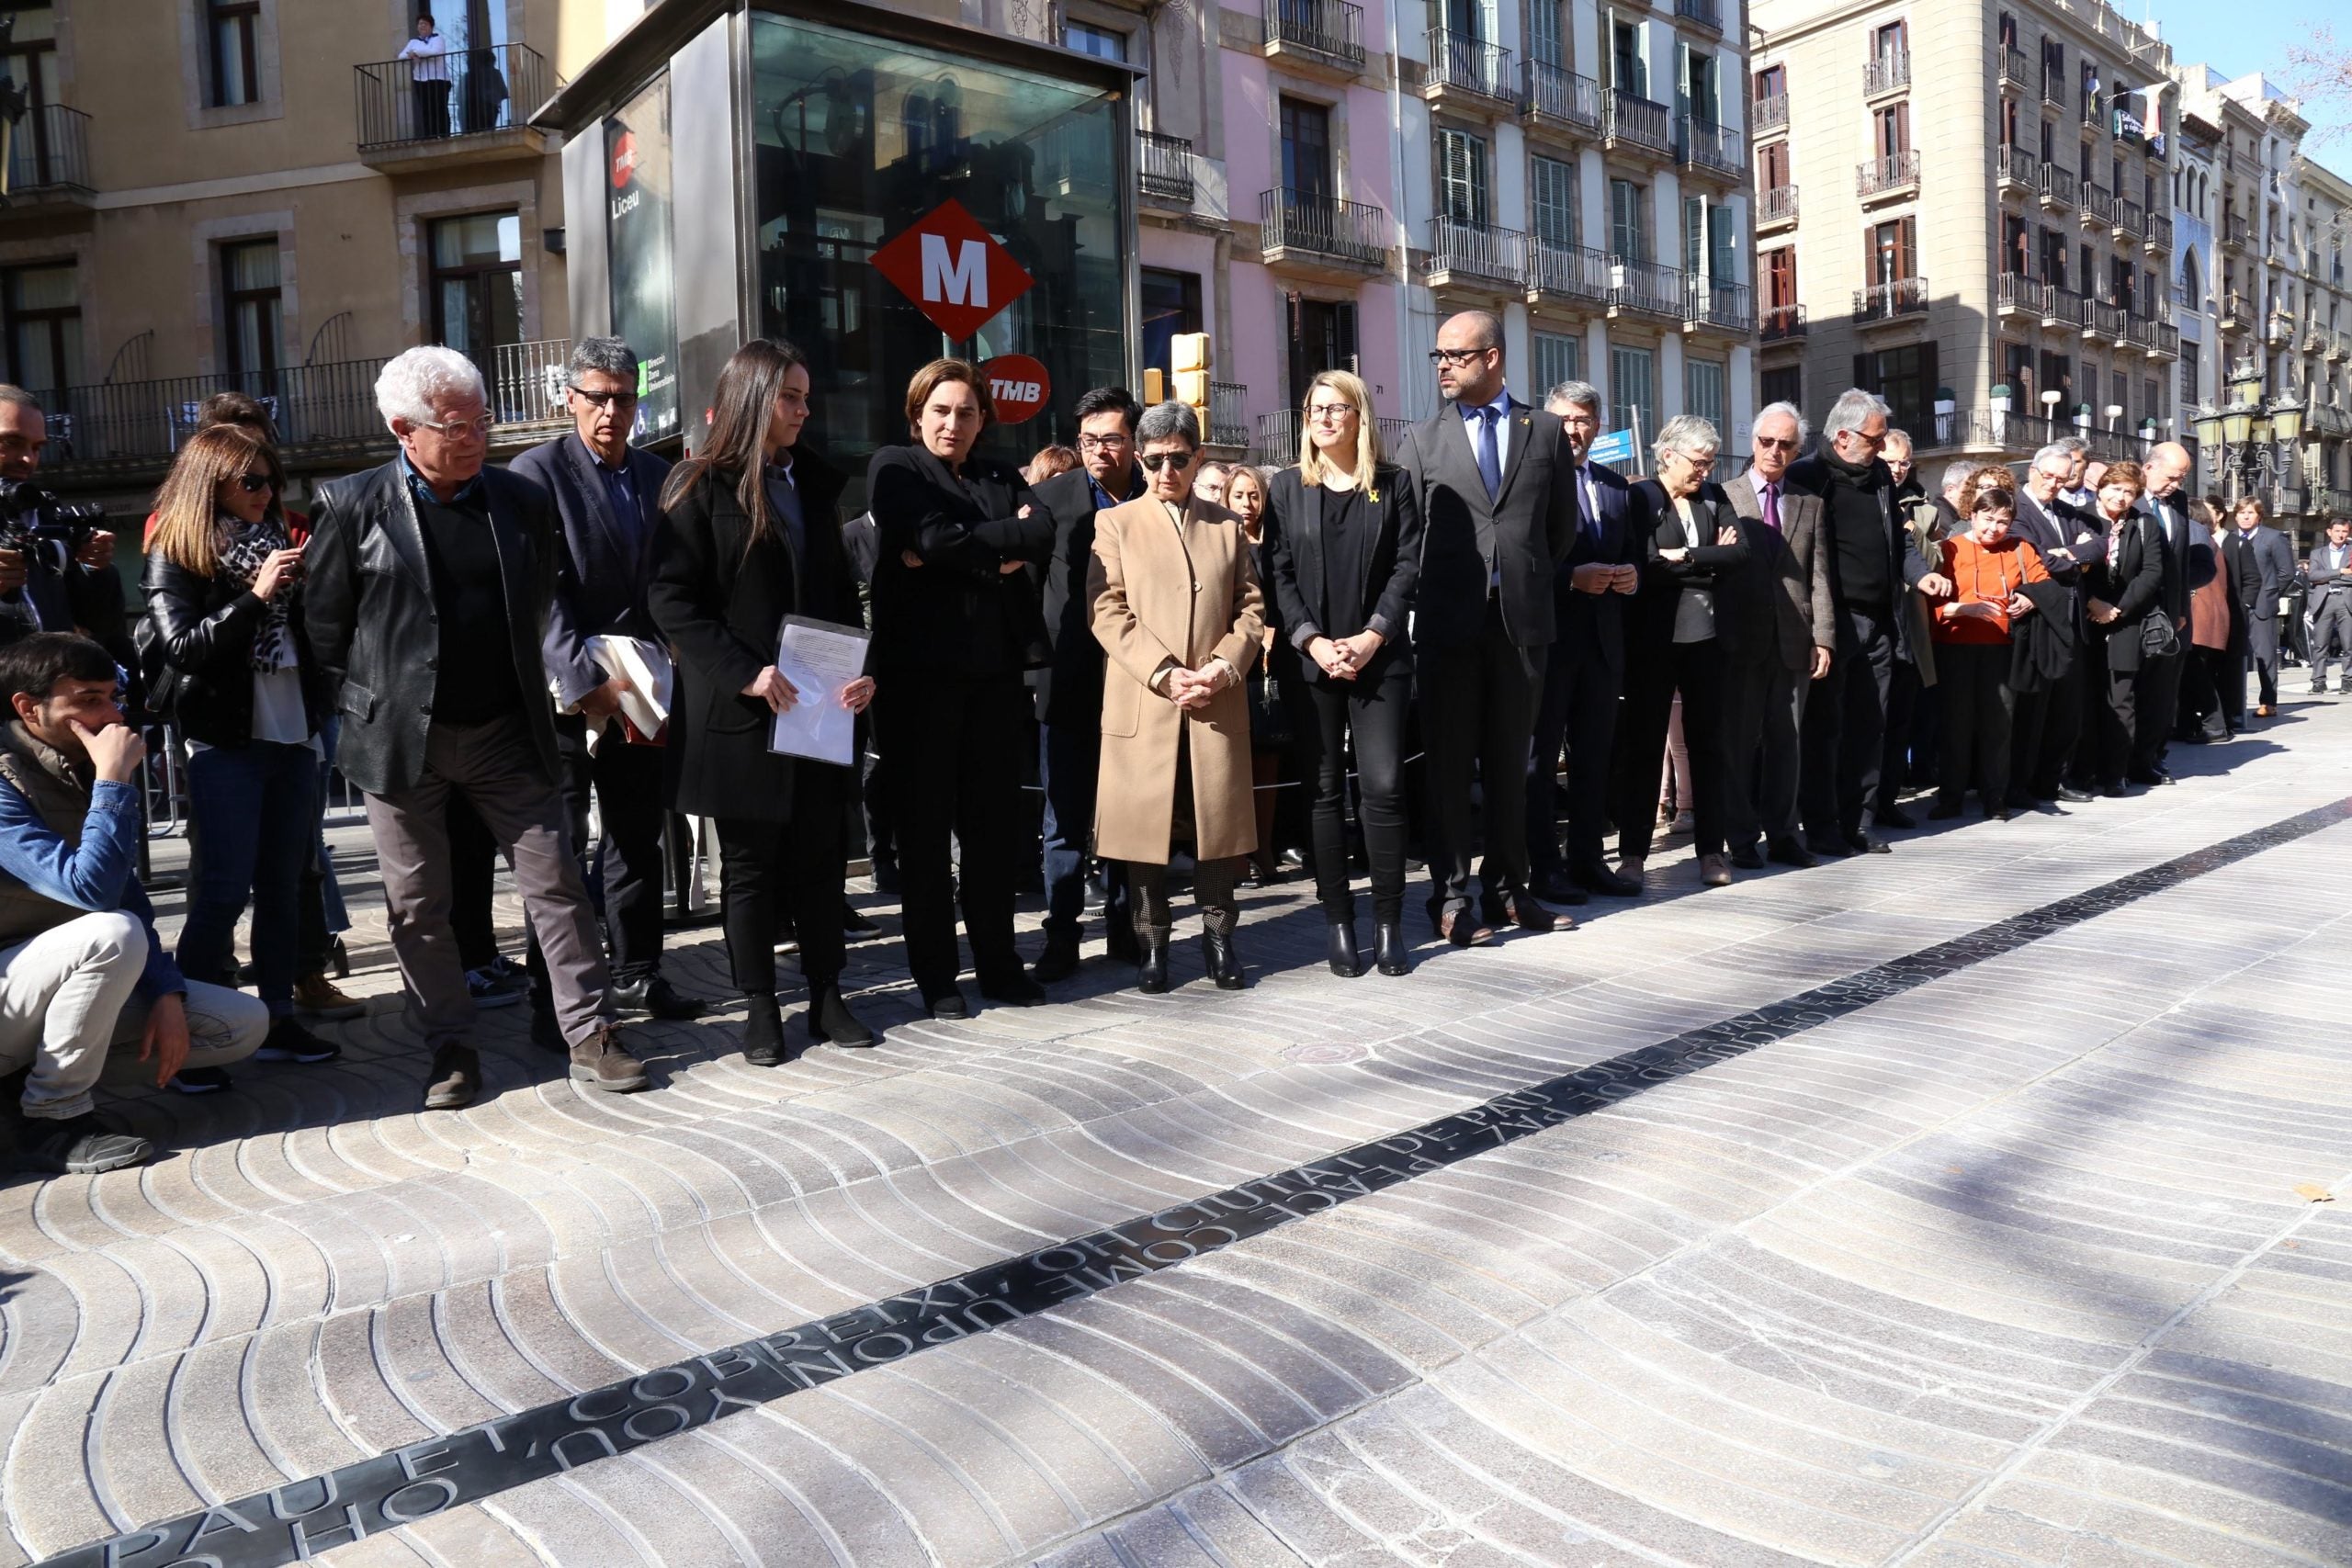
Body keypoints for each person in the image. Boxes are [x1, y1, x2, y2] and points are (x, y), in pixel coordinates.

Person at [304, 346, 648, 1110]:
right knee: (419, 905)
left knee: (557, 882)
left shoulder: (518, 501)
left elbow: (538, 606)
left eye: (481, 420)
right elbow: (323, 634)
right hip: (401, 744)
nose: (474, 438)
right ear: (403, 428)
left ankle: (589, 1031)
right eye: (455, 426)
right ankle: (449, 1047)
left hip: (505, 730)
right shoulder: (351, 506)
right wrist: (360, 713)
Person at [648, 340, 876, 1064]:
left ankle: (826, 994)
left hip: (820, 708)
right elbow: (670, 598)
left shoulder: (814, 484)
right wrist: (744, 671)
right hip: (745, 715)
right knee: (749, 869)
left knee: (821, 859)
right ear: (753, 399)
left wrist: (860, 667)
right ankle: (759, 1004)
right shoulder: (698, 486)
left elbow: (840, 595)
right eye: (792, 398)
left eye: (807, 398)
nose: (805, 411)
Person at [0, 634, 268, 1173]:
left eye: (111, 695)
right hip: (9, 994)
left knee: (240, 1024)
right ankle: (54, 1117)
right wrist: (114, 780)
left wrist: (165, 992)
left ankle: (18, 1090)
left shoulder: (79, 763)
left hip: (44, 990)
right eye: (89, 699)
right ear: (29, 708)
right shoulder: (12, 777)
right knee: (110, 934)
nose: (112, 714)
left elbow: (127, 894)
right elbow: (93, 892)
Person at [509, 337, 707, 1022]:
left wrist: (676, 649)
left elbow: (673, 579)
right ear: (570, 399)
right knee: (556, 846)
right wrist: (580, 676)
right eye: (598, 397)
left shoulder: (659, 476)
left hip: (641, 688)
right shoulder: (535, 473)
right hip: (566, 696)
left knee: (635, 835)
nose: (612, 411)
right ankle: (551, 994)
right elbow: (540, 591)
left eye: (625, 397)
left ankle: (638, 972)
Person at [141, 423, 342, 1080]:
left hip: (294, 735)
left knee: (283, 887)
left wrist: (311, 588)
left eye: (272, 480)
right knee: (223, 891)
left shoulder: (279, 539)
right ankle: (196, 1036)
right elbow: (184, 648)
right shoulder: (178, 549)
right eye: (251, 482)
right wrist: (255, 596)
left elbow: (314, 641)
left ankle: (279, 1017)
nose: (266, 493)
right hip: (225, 740)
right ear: (213, 483)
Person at [867, 360, 1055, 1017]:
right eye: (941, 410)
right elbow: (927, 536)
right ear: (918, 413)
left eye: (967, 412)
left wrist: (958, 550)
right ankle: (937, 976)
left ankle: (1000, 965)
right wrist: (991, 552)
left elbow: (1041, 532)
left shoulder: (999, 473)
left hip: (996, 682)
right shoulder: (895, 466)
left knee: (992, 833)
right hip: (919, 686)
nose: (953, 422)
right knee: (924, 837)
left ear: (983, 419)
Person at [1396, 310, 1574, 944]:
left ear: (1492, 357)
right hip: (1449, 628)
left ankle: (1509, 891)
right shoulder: (1420, 440)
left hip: (1521, 624)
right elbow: (1407, 537)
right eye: (1438, 355)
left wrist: (1517, 575)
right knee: (1447, 768)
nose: (1443, 364)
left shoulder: (1545, 431)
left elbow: (1560, 529)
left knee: (1517, 766)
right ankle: (1449, 898)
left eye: (1456, 354)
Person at [1088, 402, 1264, 992]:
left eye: (1180, 459)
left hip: (1215, 700)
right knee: (1147, 832)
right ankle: (1153, 942)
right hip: (1148, 701)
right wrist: (1164, 674)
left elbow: (1251, 608)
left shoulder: (1226, 526)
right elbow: (1107, 611)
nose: (1168, 470)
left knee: (1217, 827)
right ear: (1139, 460)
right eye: (1156, 459)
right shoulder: (1114, 525)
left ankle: (1221, 938)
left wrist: (1222, 666)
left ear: (1198, 458)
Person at [1263, 371, 1420, 977]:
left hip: (1379, 658)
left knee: (1382, 786)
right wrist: (1312, 641)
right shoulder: (1285, 488)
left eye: (1336, 408)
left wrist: (1372, 634)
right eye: (1314, 409)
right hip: (1313, 661)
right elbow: (1275, 574)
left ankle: (1387, 923)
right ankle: (1338, 923)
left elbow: (1407, 566)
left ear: (1360, 416)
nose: (1324, 418)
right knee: (1324, 790)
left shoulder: (1394, 484)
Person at [1790, 389, 1950, 858]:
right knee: (1825, 729)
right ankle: (1820, 827)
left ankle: (1857, 823)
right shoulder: (1807, 477)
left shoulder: (1880, 476)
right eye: (1875, 440)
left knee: (1870, 725)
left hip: (1881, 621)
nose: (1882, 450)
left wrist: (1922, 577)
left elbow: (1897, 546)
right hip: (1832, 622)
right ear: (1842, 436)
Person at [1025, 387, 1142, 982]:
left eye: (1111, 439)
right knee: (1064, 819)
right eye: (1088, 440)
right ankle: (1062, 936)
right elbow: (1021, 589)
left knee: (1131, 815)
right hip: (1066, 685)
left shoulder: (1155, 497)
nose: (1098, 451)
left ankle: (1126, 927)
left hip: (1139, 686)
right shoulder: (1047, 500)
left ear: (1134, 441)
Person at [1615, 416, 1749, 888]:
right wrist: (1708, 559)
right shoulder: (1641, 498)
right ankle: (1632, 854)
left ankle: (1712, 851)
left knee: (1709, 746)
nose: (1705, 472)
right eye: (1698, 462)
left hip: (1708, 643)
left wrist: (1688, 558)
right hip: (1654, 643)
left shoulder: (1715, 498)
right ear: (1668, 455)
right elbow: (1645, 565)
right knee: (1644, 747)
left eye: (1710, 462)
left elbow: (1740, 555)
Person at [1526, 380, 1639, 902]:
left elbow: (1635, 553)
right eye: (1566, 419)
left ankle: (1589, 860)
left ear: (1598, 426)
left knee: (1596, 759)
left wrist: (1633, 575)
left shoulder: (1618, 489)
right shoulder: (1529, 484)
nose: (1575, 429)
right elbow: (1523, 563)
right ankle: (1543, 867)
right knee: (1542, 761)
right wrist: (1571, 577)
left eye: (1585, 420)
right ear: (1549, 422)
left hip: (1602, 646)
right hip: (1548, 645)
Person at [1718, 400, 1833, 870]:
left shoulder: (1809, 503)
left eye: (1786, 445)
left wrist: (1823, 637)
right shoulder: (1722, 496)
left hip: (1793, 640)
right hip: (1740, 642)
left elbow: (1819, 575)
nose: (1775, 451)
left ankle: (1784, 835)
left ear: (1798, 449)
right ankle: (1740, 837)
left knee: (1787, 743)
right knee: (1739, 742)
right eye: (1767, 441)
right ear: (1753, 442)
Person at [1926, 470, 2048, 819]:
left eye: (2003, 522)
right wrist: (1966, 609)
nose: (1995, 528)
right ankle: (1950, 797)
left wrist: (2030, 598)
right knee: (1956, 725)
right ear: (1972, 515)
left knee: (1999, 725)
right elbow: (1930, 602)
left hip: (2002, 648)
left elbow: (2043, 584)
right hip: (1956, 648)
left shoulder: (2020, 548)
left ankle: (1996, 797)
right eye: (1988, 519)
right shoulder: (1950, 548)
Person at [2007, 443, 2102, 806]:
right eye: (2048, 476)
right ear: (2033, 470)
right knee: (2034, 712)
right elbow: (2038, 562)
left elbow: (2101, 545)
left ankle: (2052, 781)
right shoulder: (2018, 511)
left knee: (2067, 710)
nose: (2054, 484)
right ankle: (2021, 785)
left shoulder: (2067, 510)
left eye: (2062, 479)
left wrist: (2074, 554)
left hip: (2073, 621)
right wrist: (2076, 561)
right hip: (2041, 622)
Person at [0, 386, 123, 653]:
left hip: (47, 687)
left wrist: (96, 568)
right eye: (11, 442)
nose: (28, 459)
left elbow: (99, 623)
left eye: (37, 448)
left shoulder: (45, 514)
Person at [2075, 461, 2165, 796]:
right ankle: (2082, 771)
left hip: (2126, 621)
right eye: (2116, 488)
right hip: (2085, 620)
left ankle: (2116, 772)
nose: (2122, 496)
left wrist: (2117, 608)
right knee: (2085, 698)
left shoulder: (2145, 525)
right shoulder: (2080, 518)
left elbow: (2152, 572)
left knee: (2121, 698)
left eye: (2130, 491)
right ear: (2101, 488)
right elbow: (2069, 567)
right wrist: (2092, 603)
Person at [1224, 464, 1290, 884]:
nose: (1247, 504)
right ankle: (1237, 852)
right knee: (1234, 764)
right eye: (1238, 496)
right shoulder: (1219, 542)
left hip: (1275, 660)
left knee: (1270, 761)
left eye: (1254, 496)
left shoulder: (1278, 545)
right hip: (1234, 660)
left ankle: (1265, 848)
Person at [2132, 443, 2196, 783]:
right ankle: (2124, 759)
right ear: (2149, 468)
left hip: (2171, 615)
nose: (2176, 485)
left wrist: (2182, 609)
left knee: (2162, 692)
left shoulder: (2179, 503)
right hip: (2133, 611)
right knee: (2132, 691)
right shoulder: (2127, 498)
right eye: (2172, 477)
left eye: (2182, 478)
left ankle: (2152, 755)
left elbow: (2181, 560)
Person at [2178, 498, 2248, 742]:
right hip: (2209, 616)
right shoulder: (2208, 540)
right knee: (2190, 675)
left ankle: (2215, 725)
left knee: (2197, 675)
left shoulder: (2199, 539)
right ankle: (2187, 724)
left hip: (2200, 617)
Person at [2232, 497, 2295, 717]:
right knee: (2235, 655)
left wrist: (2270, 594)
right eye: (2241, 512)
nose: (2246, 516)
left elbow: (2287, 572)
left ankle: (2269, 702)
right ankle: (2234, 702)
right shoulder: (2231, 539)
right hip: (2236, 605)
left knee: (2265, 656)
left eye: (2250, 512)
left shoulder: (2273, 538)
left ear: (2259, 516)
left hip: (2262, 606)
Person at [2306, 517, 2352, 693]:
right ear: (2329, 532)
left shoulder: (2351, 552)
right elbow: (2313, 576)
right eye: (2337, 531)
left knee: (2349, 644)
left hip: (2346, 600)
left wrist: (2326, 577)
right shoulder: (2317, 553)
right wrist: (2340, 572)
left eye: (2344, 531)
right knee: (2320, 645)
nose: (2341, 535)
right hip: (2323, 601)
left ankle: (2348, 680)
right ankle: (2318, 681)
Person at [399, 13, 452, 140]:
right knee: (426, 109)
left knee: (440, 108)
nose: (422, 26)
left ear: (431, 26)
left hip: (439, 79)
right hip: (421, 81)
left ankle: (445, 135)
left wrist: (415, 53)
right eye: (420, 24)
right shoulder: (413, 41)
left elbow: (436, 52)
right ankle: (430, 136)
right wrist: (416, 55)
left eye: (425, 23)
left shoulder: (438, 39)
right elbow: (401, 56)